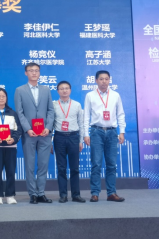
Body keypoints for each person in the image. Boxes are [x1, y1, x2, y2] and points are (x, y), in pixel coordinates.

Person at [83, 71, 127, 203]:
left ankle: (111, 193)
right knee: (96, 164)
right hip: (96, 132)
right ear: (96, 80)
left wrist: (122, 132)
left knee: (111, 164)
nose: (104, 81)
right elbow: (86, 116)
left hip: (112, 132)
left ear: (109, 80)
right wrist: (86, 134)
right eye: (101, 79)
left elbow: (120, 114)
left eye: (106, 79)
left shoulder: (115, 95)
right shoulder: (90, 95)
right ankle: (95, 193)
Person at [15, 63, 55, 205]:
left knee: (43, 164)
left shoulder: (46, 89)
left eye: (36, 70)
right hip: (29, 134)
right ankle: (32, 193)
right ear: (26, 73)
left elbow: (50, 110)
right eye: (31, 70)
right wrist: (27, 129)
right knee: (30, 165)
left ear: (39, 73)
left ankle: (41, 193)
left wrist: (48, 128)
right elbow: (19, 112)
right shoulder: (20, 90)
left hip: (45, 134)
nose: (34, 73)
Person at [52, 81, 85, 204]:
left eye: (66, 88)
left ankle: (76, 195)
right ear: (58, 91)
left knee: (75, 168)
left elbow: (81, 123)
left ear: (70, 90)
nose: (64, 90)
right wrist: (49, 142)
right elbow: (50, 124)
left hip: (73, 137)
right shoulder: (53, 105)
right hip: (59, 137)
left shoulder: (76, 105)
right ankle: (63, 195)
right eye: (61, 88)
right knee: (61, 168)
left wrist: (80, 140)